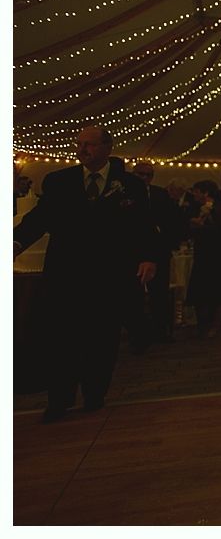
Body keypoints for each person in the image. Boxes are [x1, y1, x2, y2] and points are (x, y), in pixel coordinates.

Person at [13, 126, 157, 422]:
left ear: (107, 147)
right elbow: (40, 218)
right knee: (62, 339)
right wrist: (15, 242)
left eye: (89, 145)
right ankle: (59, 400)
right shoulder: (59, 181)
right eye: (79, 144)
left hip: (109, 277)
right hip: (67, 275)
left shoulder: (129, 185)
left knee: (102, 337)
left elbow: (143, 225)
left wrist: (147, 257)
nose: (82, 149)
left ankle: (94, 394)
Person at [132, 161, 178, 345]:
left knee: (159, 294)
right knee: (134, 295)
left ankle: (161, 332)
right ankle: (138, 335)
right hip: (133, 251)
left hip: (158, 251)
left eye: (147, 175)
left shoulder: (160, 194)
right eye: (140, 174)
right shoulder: (124, 193)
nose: (143, 178)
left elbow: (170, 221)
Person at [185, 180, 221, 338]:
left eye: (197, 191)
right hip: (202, 253)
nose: (194, 194)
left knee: (217, 290)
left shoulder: (218, 207)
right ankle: (202, 325)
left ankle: (214, 326)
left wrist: (201, 225)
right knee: (201, 290)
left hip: (216, 255)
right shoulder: (196, 207)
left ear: (205, 192)